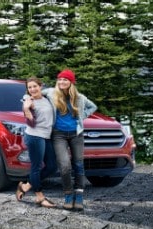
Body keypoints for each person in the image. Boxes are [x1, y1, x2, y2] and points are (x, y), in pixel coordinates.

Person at [47, 69, 97, 210]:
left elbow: (93, 107)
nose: (62, 82)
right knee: (64, 166)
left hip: (76, 134)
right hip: (58, 134)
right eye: (60, 79)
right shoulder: (51, 93)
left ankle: (79, 196)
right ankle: (68, 195)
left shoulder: (79, 98)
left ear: (71, 82)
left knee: (79, 165)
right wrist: (27, 100)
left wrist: (82, 117)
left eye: (65, 80)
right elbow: (33, 93)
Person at [16, 77, 57, 208]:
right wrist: (27, 109)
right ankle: (39, 197)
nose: (32, 89)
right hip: (34, 136)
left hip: (46, 136)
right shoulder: (29, 102)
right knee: (36, 166)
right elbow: (31, 123)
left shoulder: (47, 98)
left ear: (41, 86)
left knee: (52, 166)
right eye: (30, 87)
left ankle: (26, 185)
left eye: (35, 86)